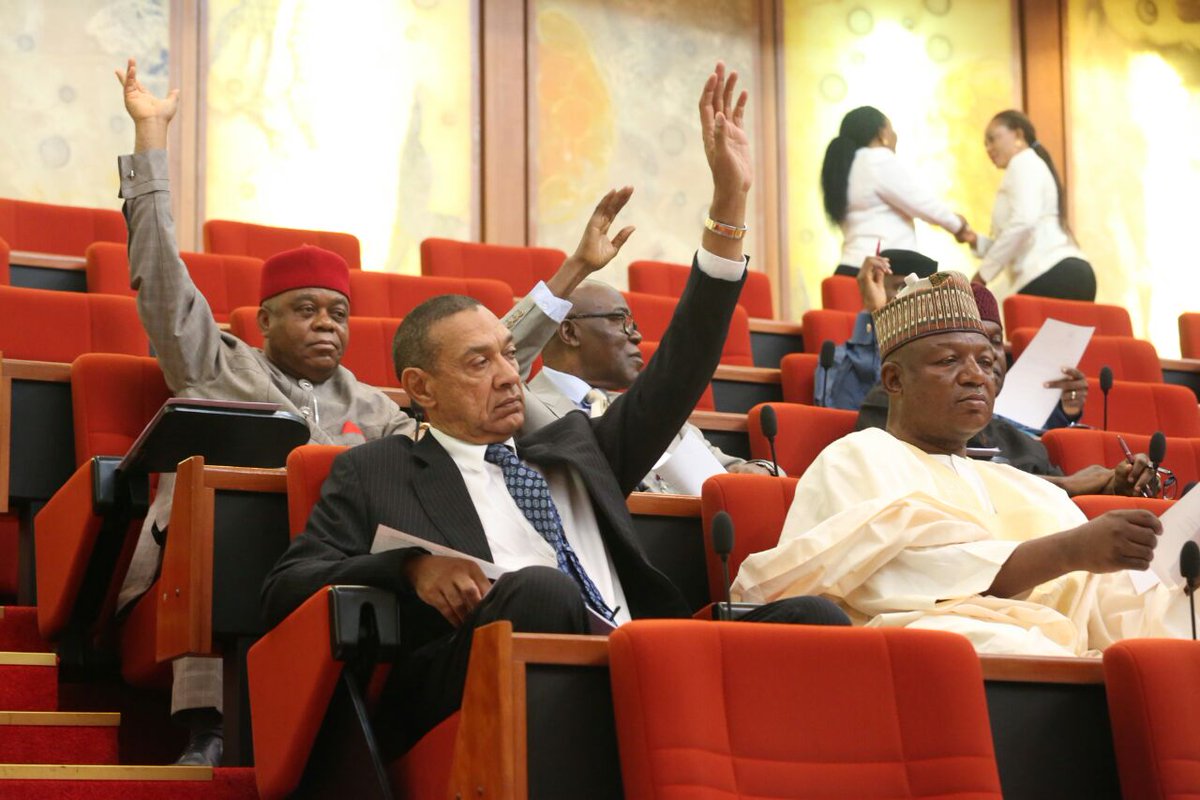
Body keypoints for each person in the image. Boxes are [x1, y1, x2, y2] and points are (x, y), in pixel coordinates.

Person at [261, 62, 848, 755]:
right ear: (421, 389)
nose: (510, 375)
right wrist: (410, 567)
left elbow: (680, 367)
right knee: (542, 591)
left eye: (511, 355)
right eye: (480, 363)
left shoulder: (579, 448)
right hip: (477, 678)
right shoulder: (376, 470)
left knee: (817, 618)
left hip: (631, 658)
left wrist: (729, 205)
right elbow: (283, 588)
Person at [112, 57, 632, 766]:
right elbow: (161, 280)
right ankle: (211, 721)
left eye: (338, 312)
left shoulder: (376, 410)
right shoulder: (216, 365)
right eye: (304, 310)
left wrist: (572, 274)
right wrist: (150, 142)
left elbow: (481, 364)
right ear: (262, 320)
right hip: (244, 563)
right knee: (220, 514)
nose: (326, 324)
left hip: (350, 575)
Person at [732, 271, 1190, 657]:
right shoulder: (857, 456)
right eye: (949, 360)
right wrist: (1072, 551)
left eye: (987, 361)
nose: (977, 375)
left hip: (1056, 642)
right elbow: (906, 578)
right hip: (918, 653)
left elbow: (1102, 601)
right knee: (1004, 645)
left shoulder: (1023, 485)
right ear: (894, 379)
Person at [528, 280, 775, 492]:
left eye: (632, 324)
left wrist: (760, 470)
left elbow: (732, 467)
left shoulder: (649, 410)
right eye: (619, 320)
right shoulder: (524, 406)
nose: (636, 335)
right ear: (569, 332)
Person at [819, 106, 971, 276]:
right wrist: (957, 225)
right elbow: (919, 202)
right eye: (891, 129)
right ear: (882, 133)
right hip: (882, 273)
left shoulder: (844, 166)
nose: (895, 136)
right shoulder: (876, 159)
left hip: (849, 269)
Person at [964, 110, 1095, 301]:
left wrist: (982, 275)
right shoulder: (1032, 164)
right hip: (1070, 272)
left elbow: (1024, 223)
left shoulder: (1022, 162)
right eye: (985, 144)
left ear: (1018, 134)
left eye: (993, 139)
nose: (989, 148)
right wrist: (977, 241)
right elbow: (1022, 237)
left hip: (1048, 274)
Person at [816, 248, 938, 410]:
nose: (914, 300)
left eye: (924, 291)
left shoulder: (944, 353)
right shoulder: (838, 359)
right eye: (902, 288)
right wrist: (877, 314)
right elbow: (858, 411)